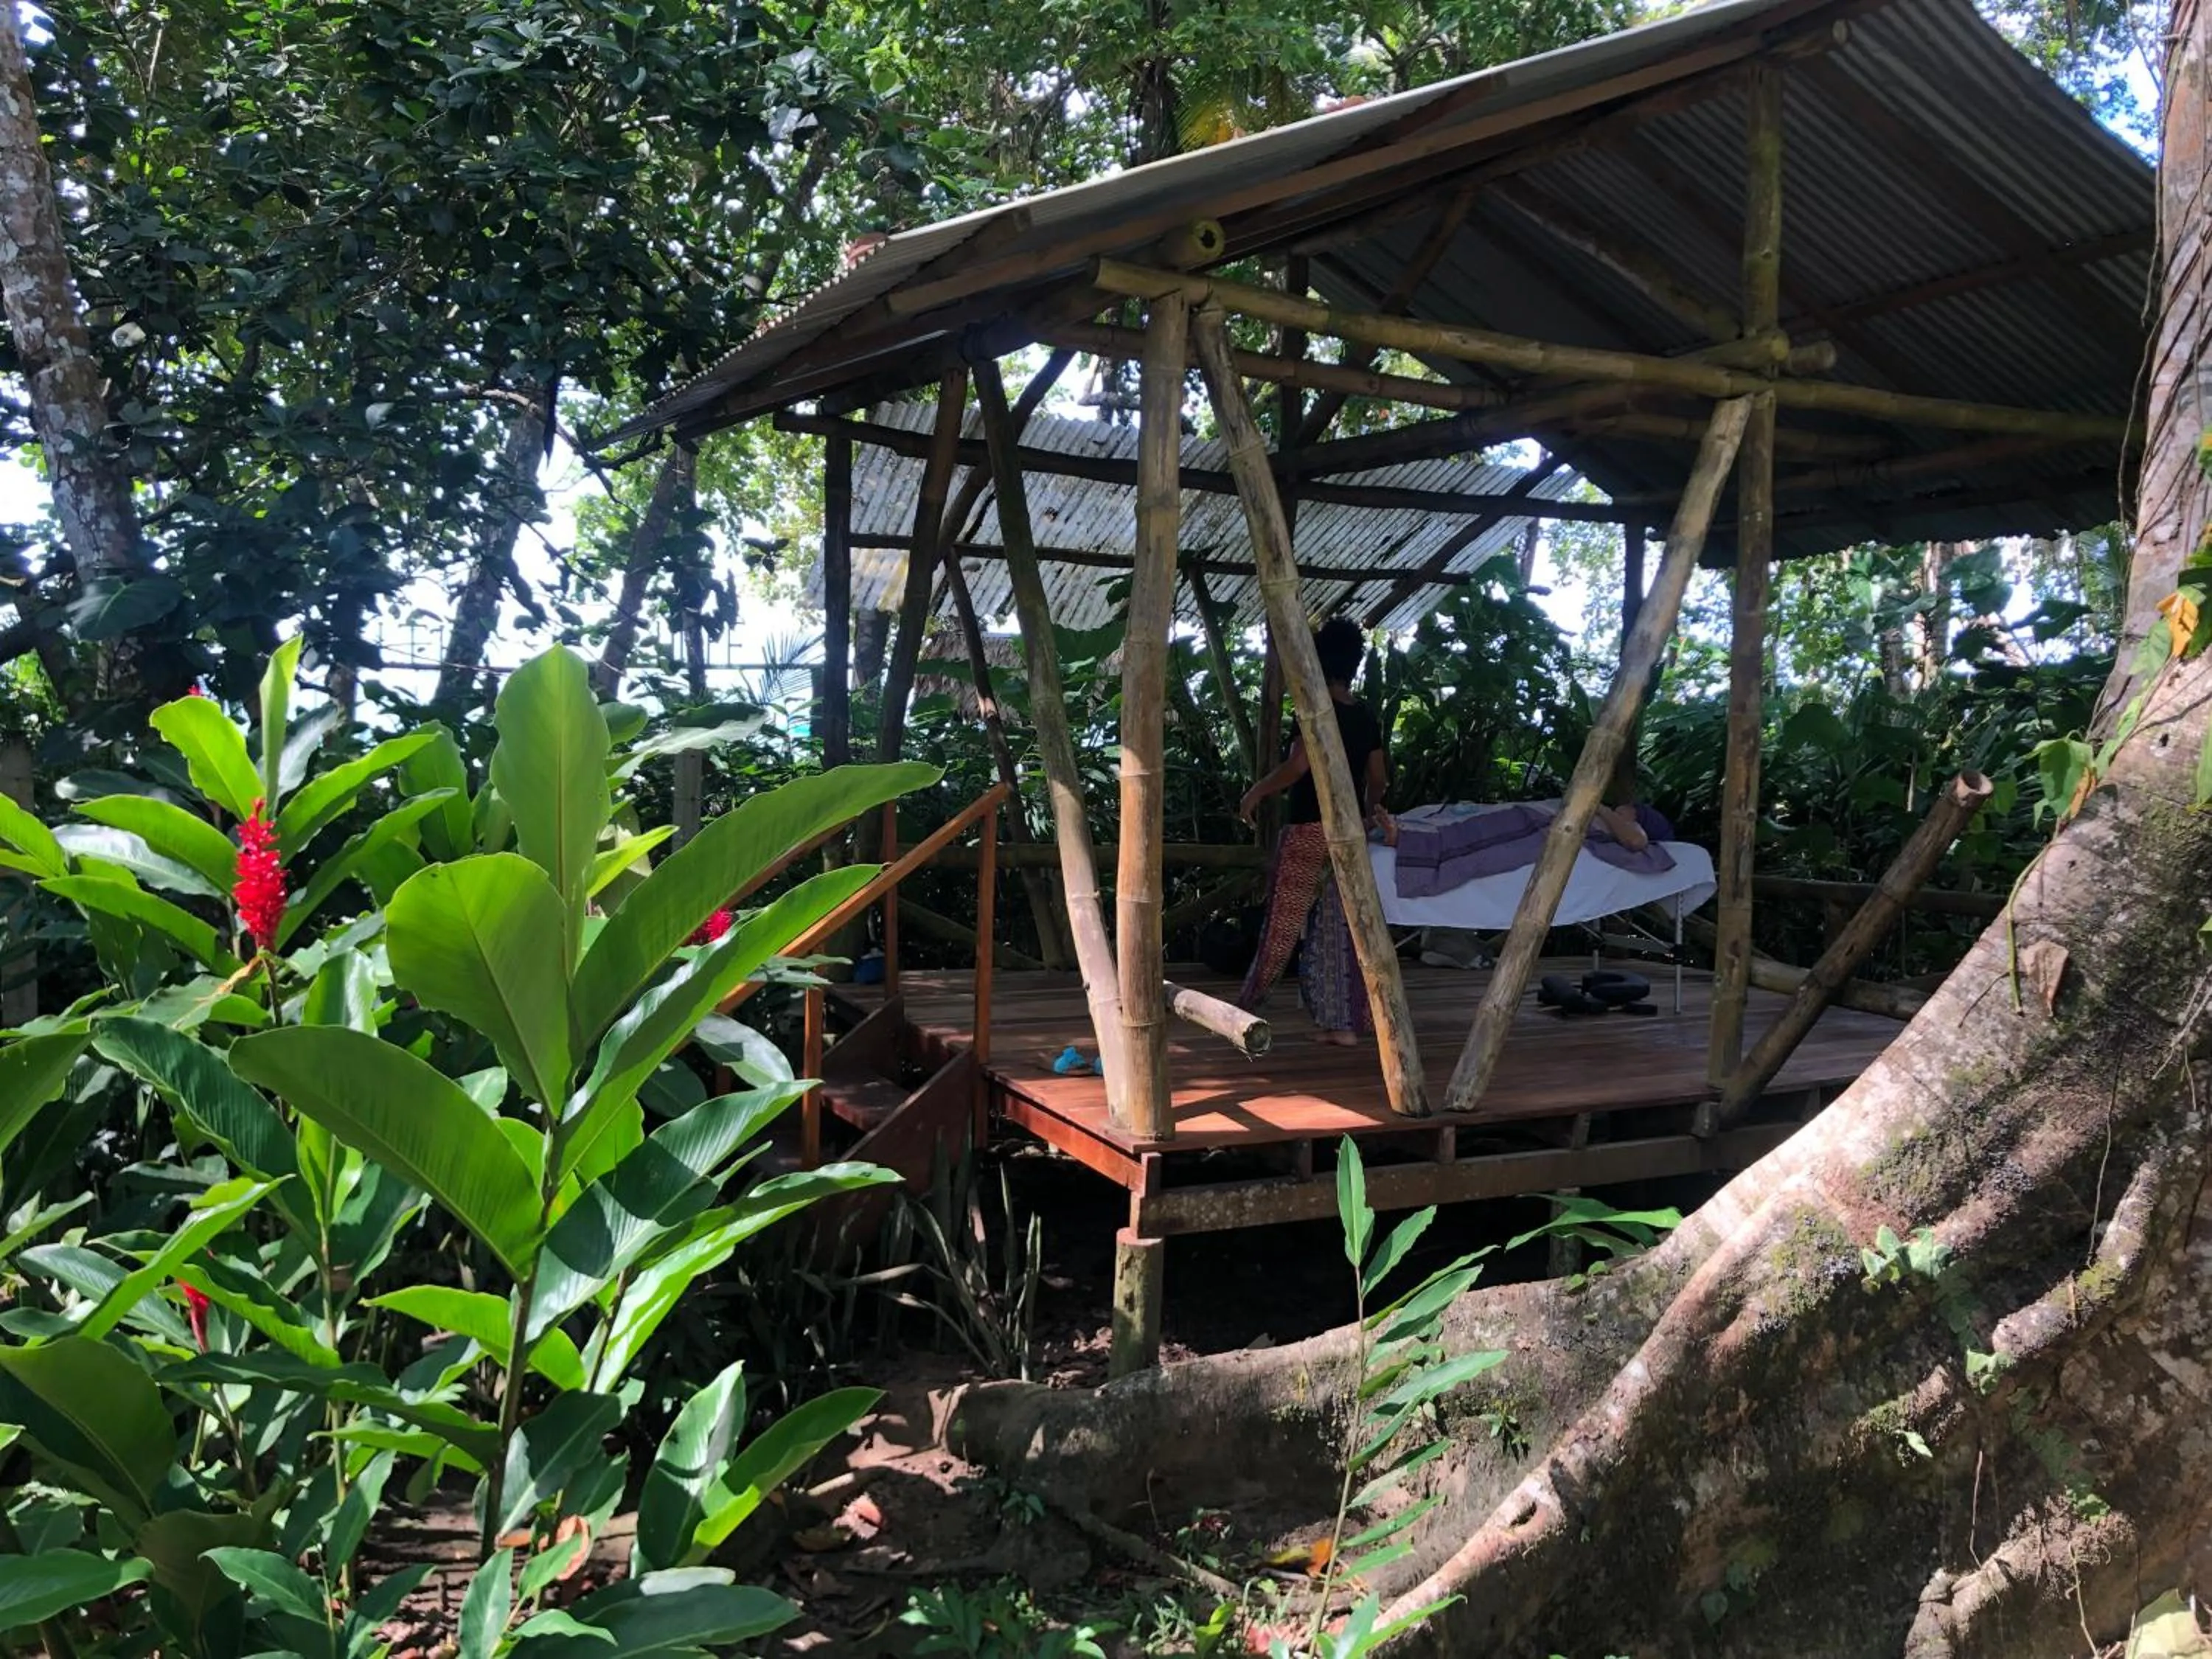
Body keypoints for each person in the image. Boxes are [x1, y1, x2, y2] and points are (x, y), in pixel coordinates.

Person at [1234, 617, 1393, 1046]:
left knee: (1281, 929)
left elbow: (1297, 767)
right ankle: (1342, 1027)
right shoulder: (1364, 716)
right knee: (1336, 930)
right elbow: (1378, 777)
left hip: (1308, 829)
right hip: (1348, 834)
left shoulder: (1313, 708)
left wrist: (1256, 792)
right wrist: (1364, 809)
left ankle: (1241, 1013)